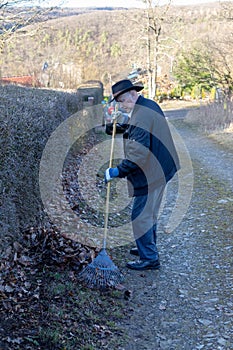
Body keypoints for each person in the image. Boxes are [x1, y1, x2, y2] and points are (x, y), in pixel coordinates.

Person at [104, 79, 180, 271]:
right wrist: (119, 128)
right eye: (118, 101)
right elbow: (142, 131)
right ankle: (147, 247)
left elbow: (138, 155)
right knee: (150, 213)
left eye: (122, 100)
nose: (121, 105)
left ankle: (149, 258)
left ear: (133, 94)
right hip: (163, 167)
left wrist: (117, 171)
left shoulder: (140, 116)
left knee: (140, 216)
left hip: (152, 173)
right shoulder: (146, 105)